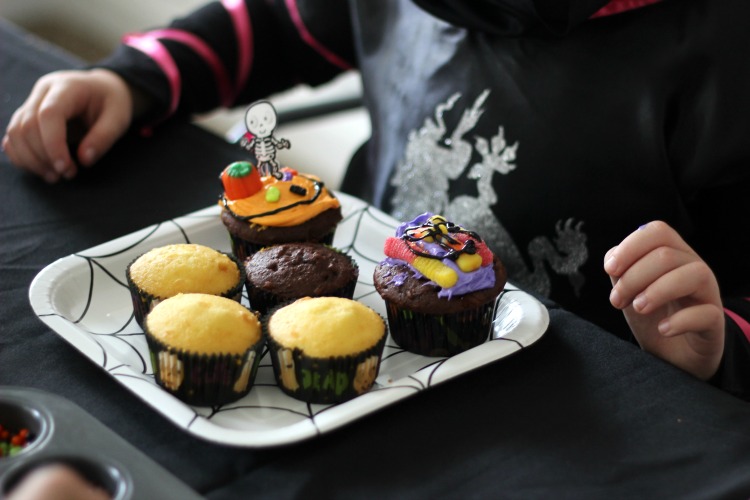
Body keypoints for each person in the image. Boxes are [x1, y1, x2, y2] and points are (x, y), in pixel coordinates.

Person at [3, 0, 749, 398]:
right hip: (378, 353)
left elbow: (721, 323)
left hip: (570, 404)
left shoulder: (726, 60)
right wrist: (134, 81)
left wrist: (715, 353)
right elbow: (270, 22)